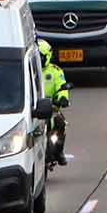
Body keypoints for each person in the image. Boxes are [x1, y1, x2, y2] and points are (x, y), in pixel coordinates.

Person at [38, 39, 69, 167]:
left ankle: (59, 151)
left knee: (60, 123)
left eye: (41, 56)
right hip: (35, 108)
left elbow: (62, 87)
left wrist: (63, 98)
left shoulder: (55, 71)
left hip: (52, 108)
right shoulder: (30, 71)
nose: (39, 59)